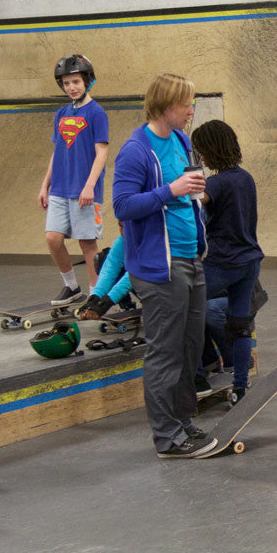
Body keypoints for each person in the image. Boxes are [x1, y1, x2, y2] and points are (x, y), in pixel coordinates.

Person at [112, 73, 215, 459]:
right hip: (159, 268)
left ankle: (184, 422)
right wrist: (169, 192)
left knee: (191, 347)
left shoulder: (181, 139)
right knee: (165, 352)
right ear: (166, 106)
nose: (191, 111)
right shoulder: (136, 150)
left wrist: (195, 194)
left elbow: (187, 186)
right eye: (186, 104)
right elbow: (122, 207)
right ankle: (168, 438)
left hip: (191, 257)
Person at [190, 119, 264, 404]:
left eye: (201, 152)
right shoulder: (245, 178)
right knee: (240, 325)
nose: (202, 158)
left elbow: (195, 200)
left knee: (186, 309)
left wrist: (189, 171)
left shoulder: (216, 183)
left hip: (221, 265)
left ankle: (197, 376)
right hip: (249, 263)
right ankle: (241, 387)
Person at [38, 54, 108, 305]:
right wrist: (45, 185)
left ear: (87, 80)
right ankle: (71, 287)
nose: (71, 87)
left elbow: (102, 152)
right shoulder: (61, 114)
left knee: (88, 243)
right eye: (66, 83)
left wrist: (90, 185)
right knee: (52, 238)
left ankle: (95, 294)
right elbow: (57, 151)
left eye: (76, 81)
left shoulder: (96, 112)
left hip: (84, 190)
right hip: (59, 188)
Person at [77, 221, 136, 320]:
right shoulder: (123, 240)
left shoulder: (152, 239)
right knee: (102, 258)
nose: (122, 232)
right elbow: (110, 269)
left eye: (125, 227)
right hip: (141, 279)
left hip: (163, 284)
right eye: (120, 227)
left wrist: (107, 302)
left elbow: (136, 273)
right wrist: (95, 298)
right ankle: (126, 305)